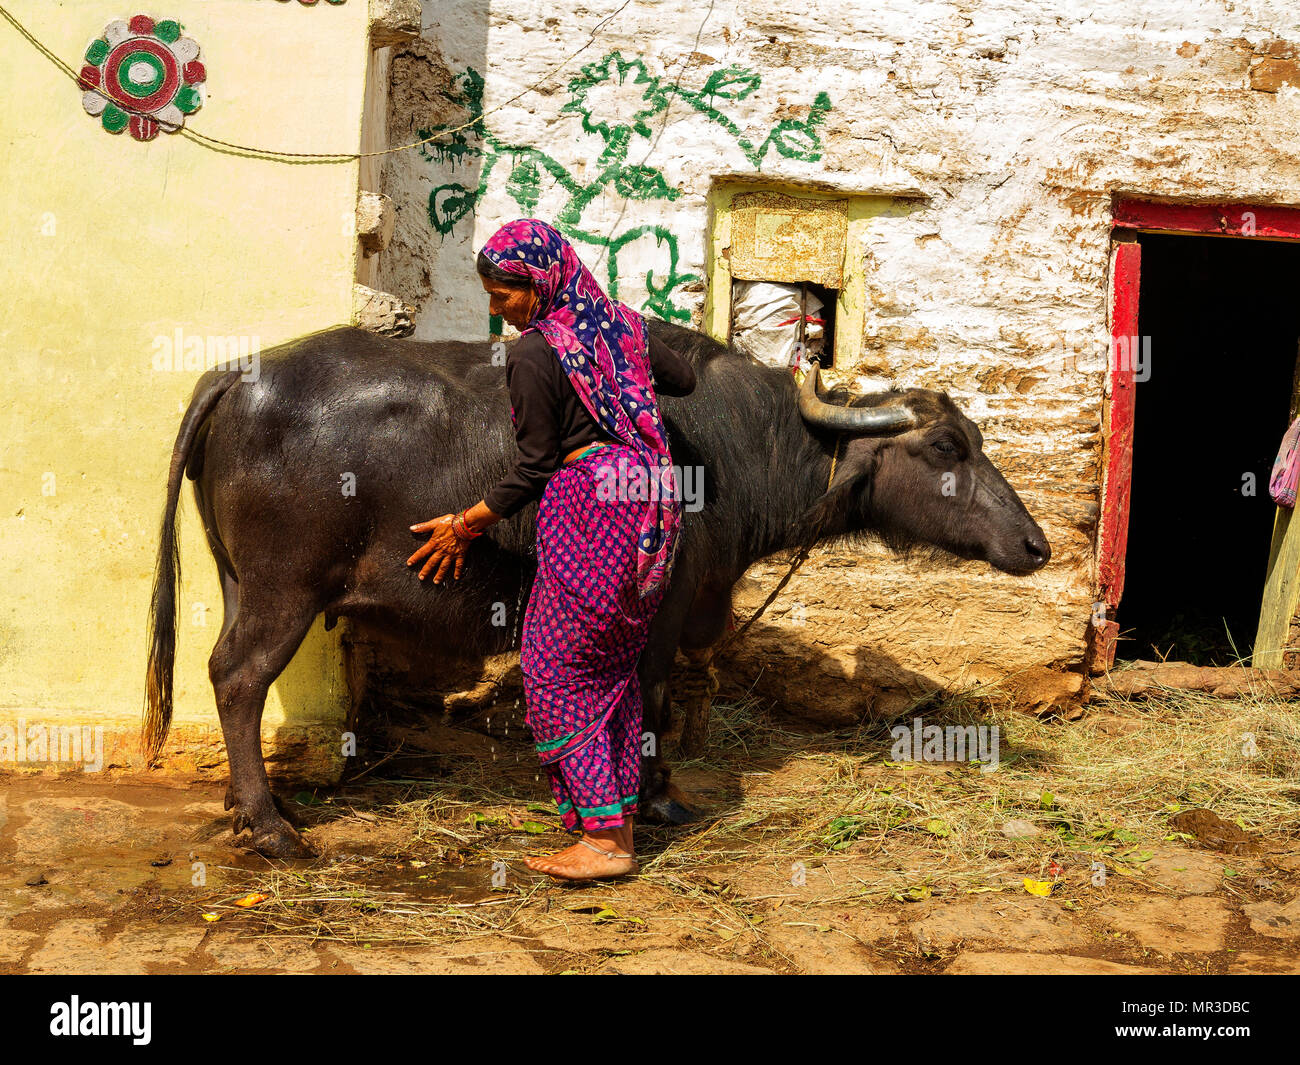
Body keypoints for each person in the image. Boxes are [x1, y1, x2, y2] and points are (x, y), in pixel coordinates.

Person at [406, 218, 697, 880]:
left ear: (538, 284)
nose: (495, 309)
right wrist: (623, 349)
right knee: (612, 664)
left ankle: (604, 839)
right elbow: (682, 379)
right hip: (651, 501)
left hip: (591, 508)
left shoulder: (536, 354)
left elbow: (536, 464)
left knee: (554, 666)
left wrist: (466, 523)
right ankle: (616, 819)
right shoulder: (621, 322)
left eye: (504, 294)